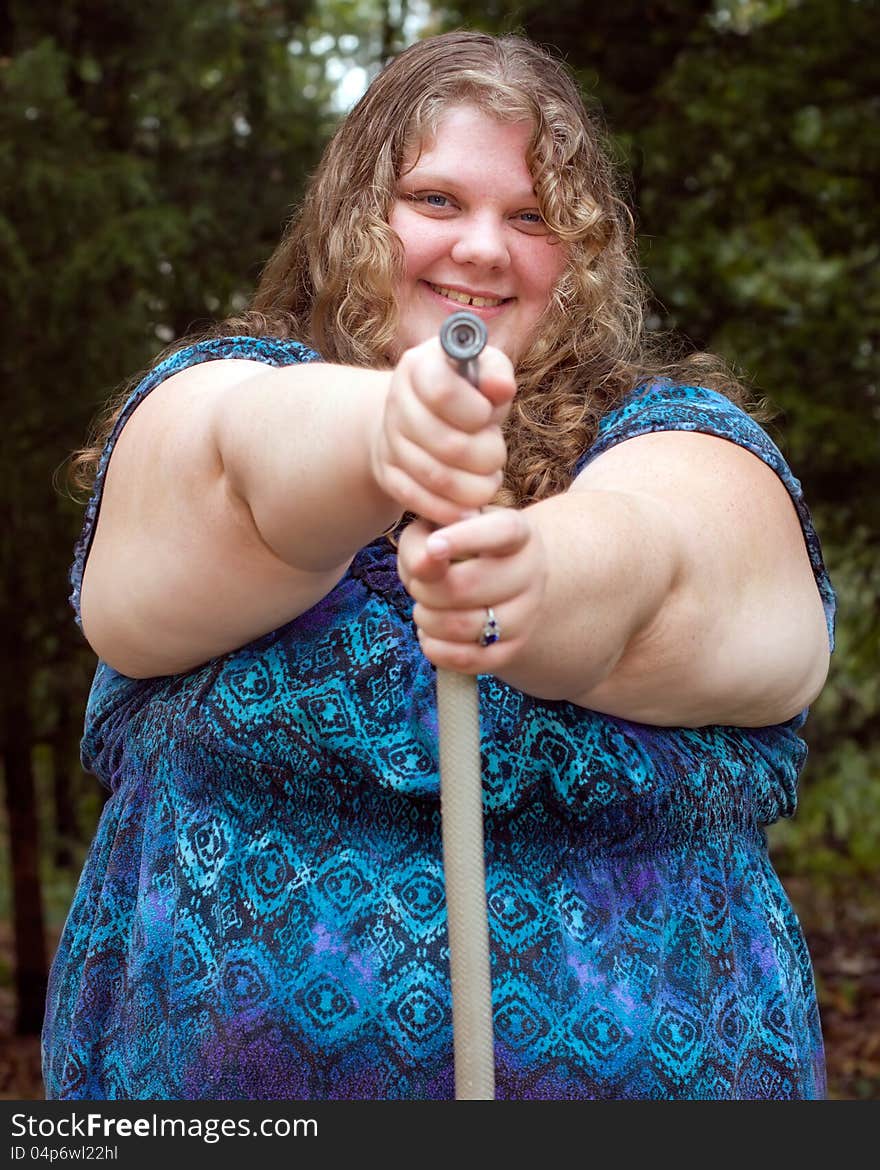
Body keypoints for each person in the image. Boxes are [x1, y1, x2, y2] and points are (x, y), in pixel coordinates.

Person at [42, 30, 835, 1101]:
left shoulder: (674, 438)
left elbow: (669, 556)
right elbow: (242, 459)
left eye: (533, 216)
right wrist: (383, 435)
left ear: (582, 254)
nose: (483, 249)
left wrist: (537, 579)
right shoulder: (223, 393)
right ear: (352, 216)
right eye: (435, 200)